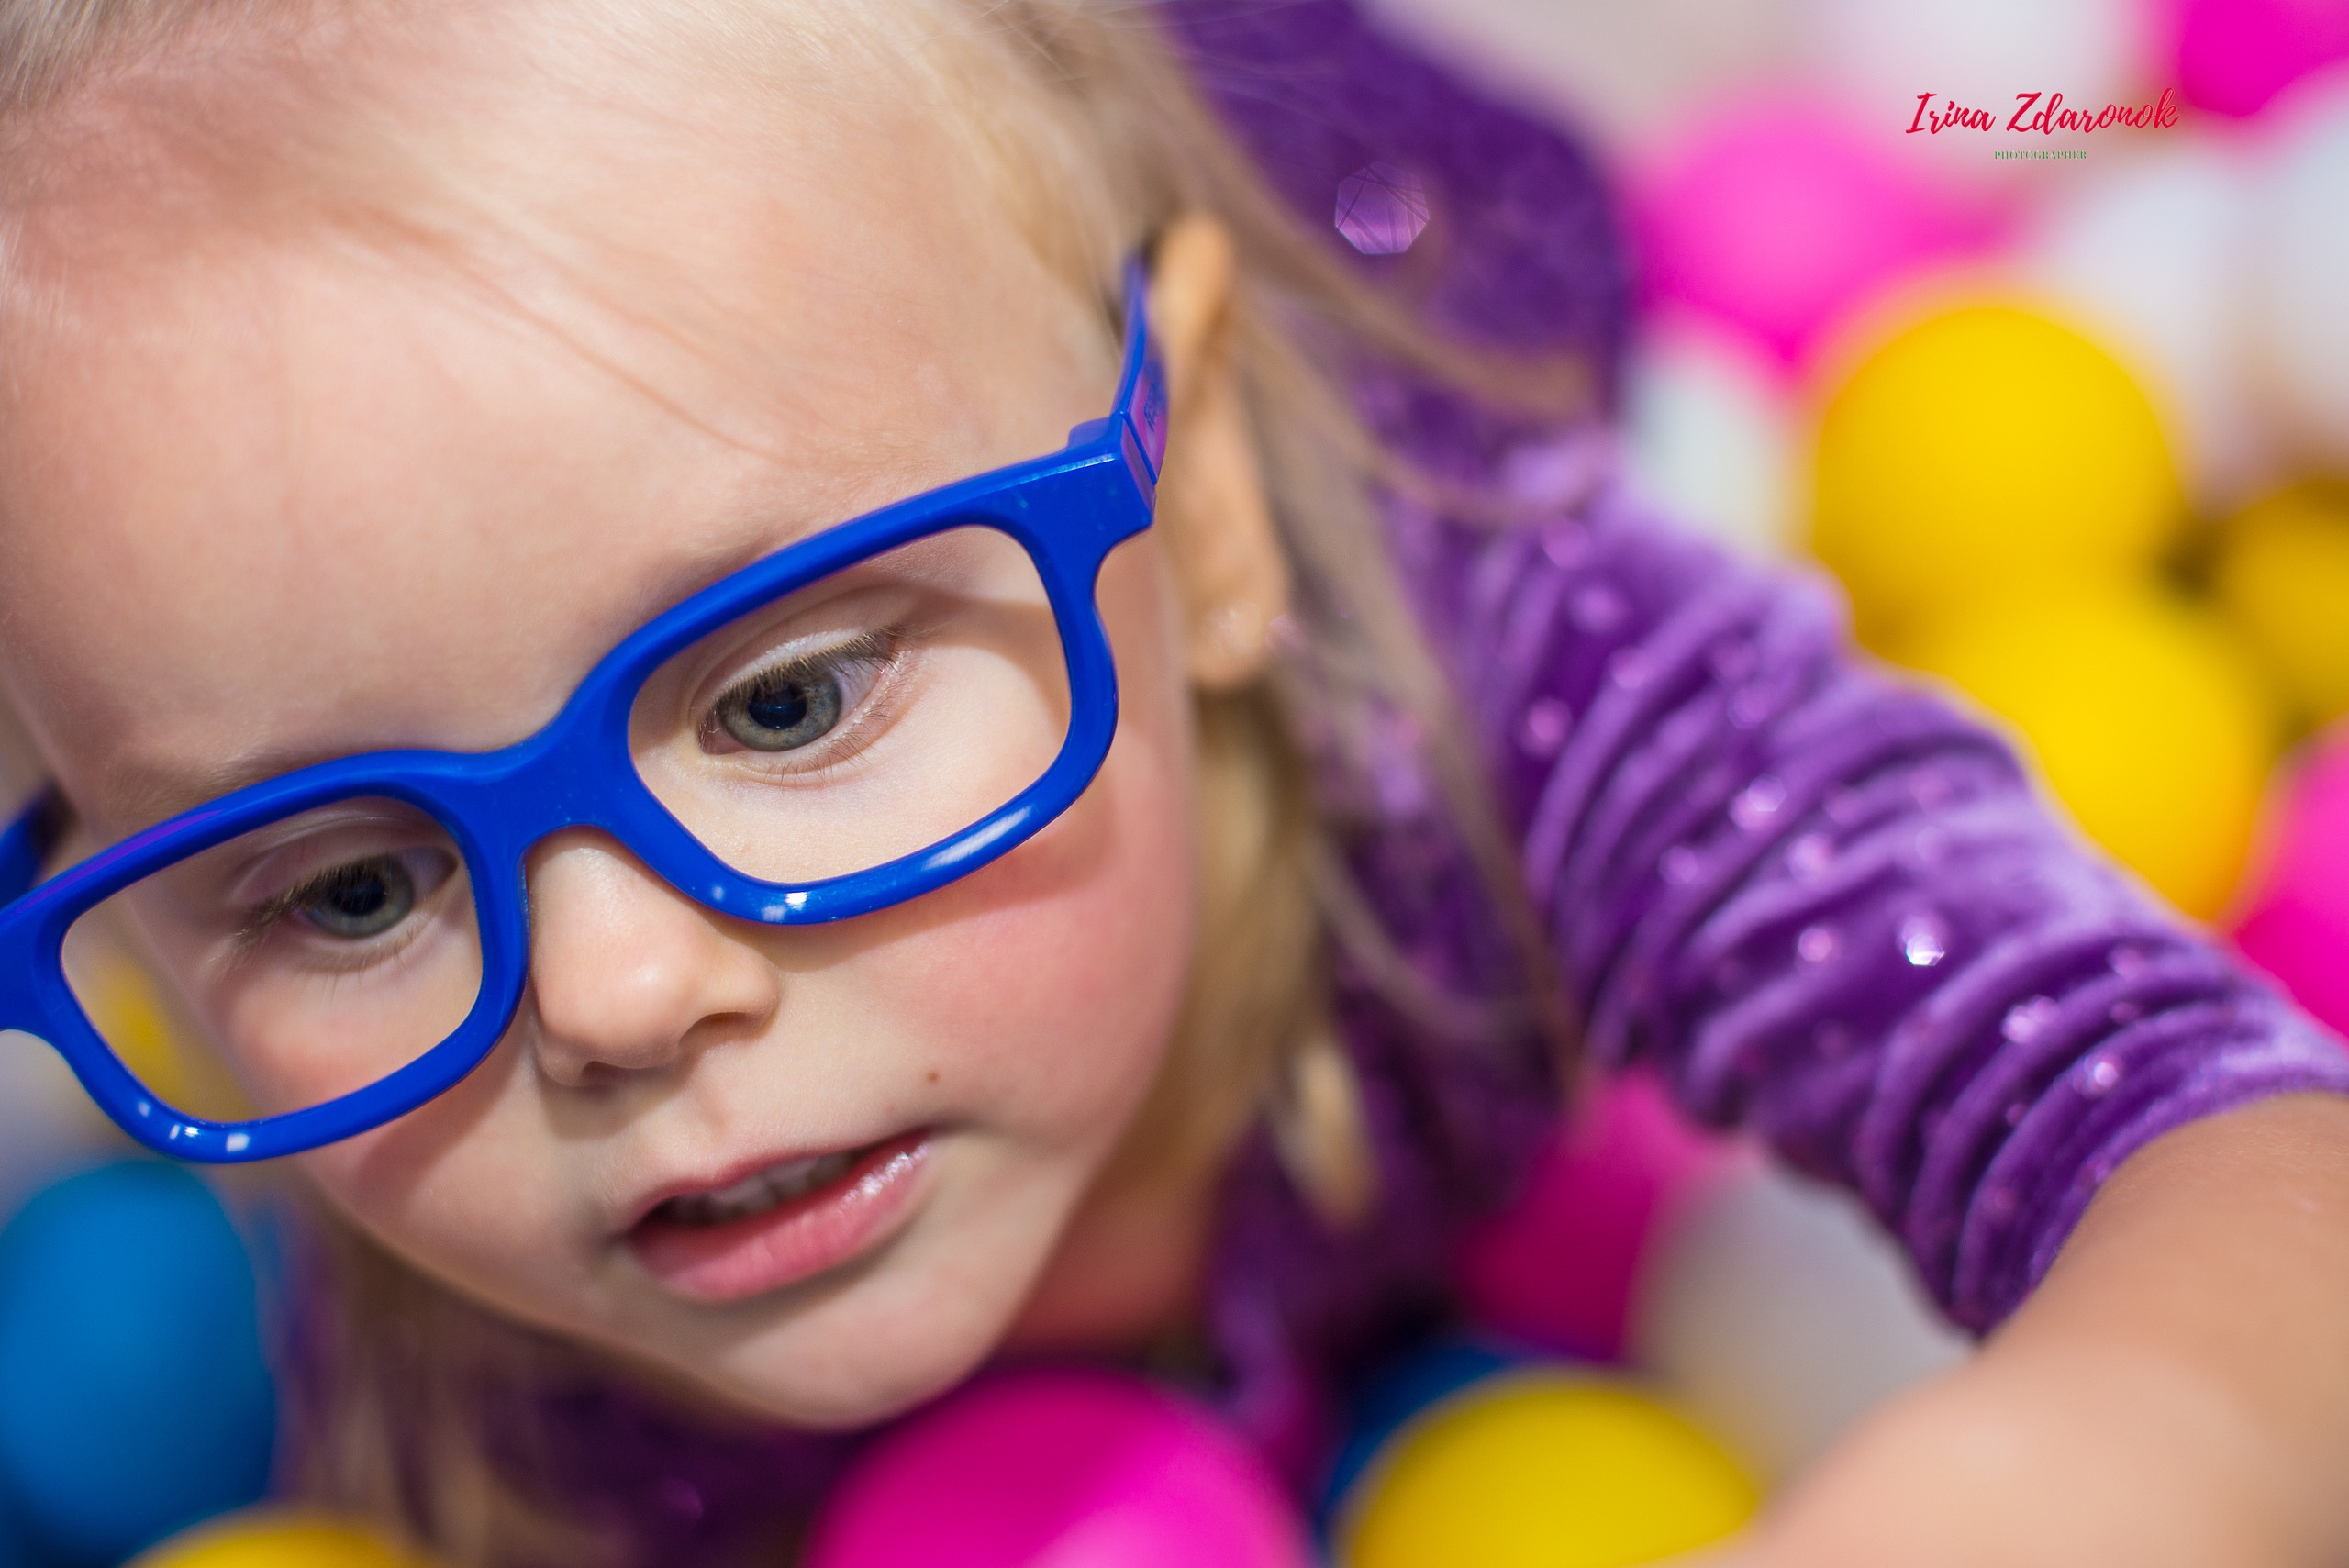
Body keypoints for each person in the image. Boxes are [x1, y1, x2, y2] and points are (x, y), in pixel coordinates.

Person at [0, 1, 2344, 1563]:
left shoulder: (1487, 694)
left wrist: (2091, 1460)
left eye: (791, 701)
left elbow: (2225, 1142)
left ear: (1195, 511)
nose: (610, 993)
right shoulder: (448, 1375)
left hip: (1396, 224)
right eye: (345, 888)